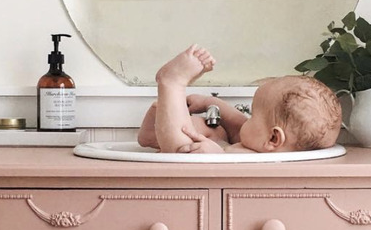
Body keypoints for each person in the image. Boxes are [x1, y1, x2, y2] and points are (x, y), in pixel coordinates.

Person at [137, 44, 342, 154]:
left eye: (253, 115)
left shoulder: (257, 162)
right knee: (212, 129)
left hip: (192, 158)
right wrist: (212, 103)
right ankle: (161, 121)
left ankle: (172, 83)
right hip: (169, 140)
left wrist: (215, 157)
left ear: (273, 139)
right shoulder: (263, 144)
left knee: (183, 150)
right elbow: (237, 125)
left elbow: (237, 134)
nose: (246, 117)